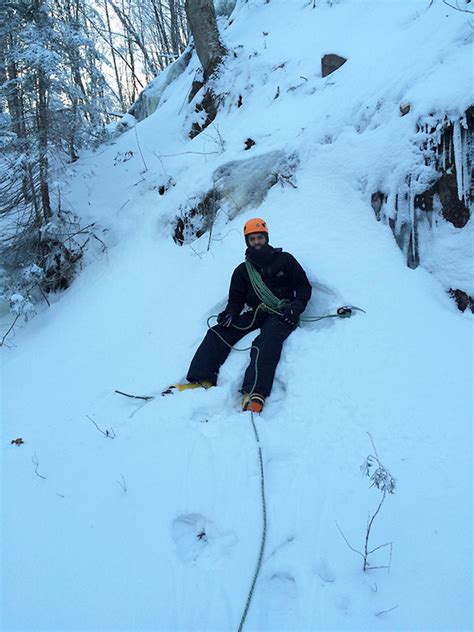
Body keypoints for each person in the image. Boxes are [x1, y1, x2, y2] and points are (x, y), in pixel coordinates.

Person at [186, 218, 312, 413]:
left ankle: (255, 392)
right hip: (257, 312)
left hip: (282, 313)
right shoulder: (243, 271)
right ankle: (202, 378)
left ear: (266, 238)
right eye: (252, 239)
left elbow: (303, 286)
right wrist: (230, 313)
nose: (256, 242)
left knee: (266, 341)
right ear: (247, 242)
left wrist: (296, 307)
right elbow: (235, 300)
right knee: (217, 333)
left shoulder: (285, 260)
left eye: (260, 238)